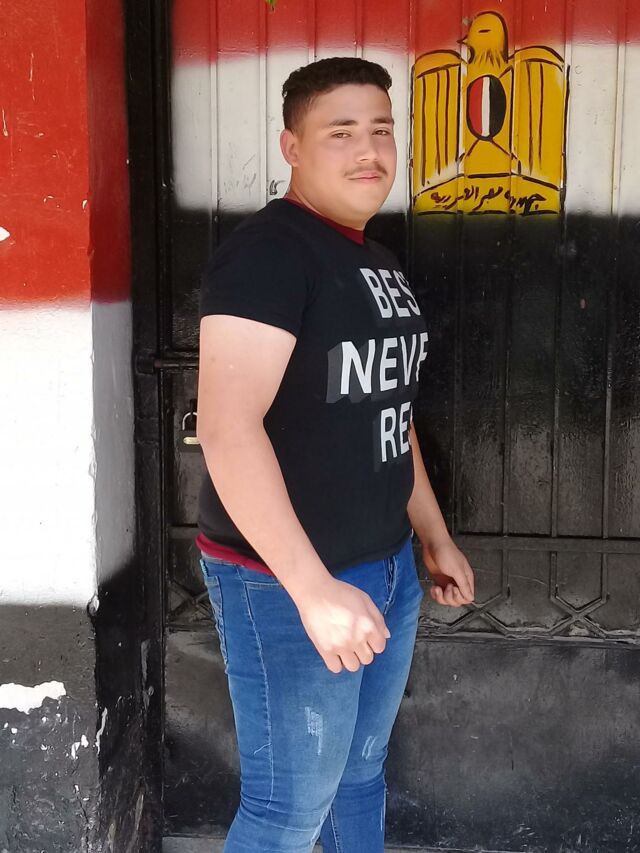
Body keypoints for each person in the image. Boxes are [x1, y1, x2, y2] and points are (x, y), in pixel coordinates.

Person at [195, 56, 475, 853]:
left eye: (381, 130)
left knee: (360, 776)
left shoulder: (375, 261)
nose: (369, 151)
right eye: (341, 132)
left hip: (386, 568)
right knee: (287, 810)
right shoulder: (269, 254)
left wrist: (432, 533)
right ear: (292, 146)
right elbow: (228, 427)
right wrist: (312, 587)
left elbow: (389, 411)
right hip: (287, 582)